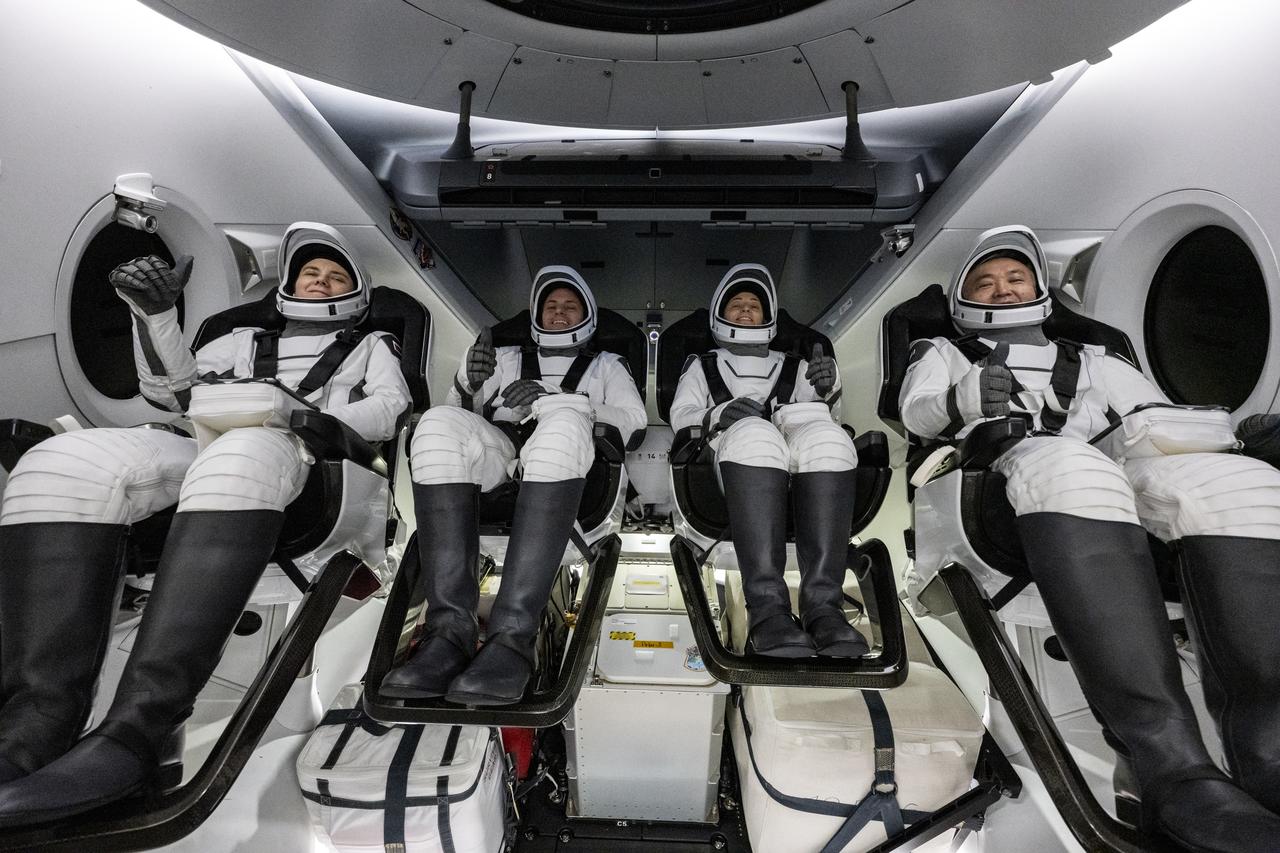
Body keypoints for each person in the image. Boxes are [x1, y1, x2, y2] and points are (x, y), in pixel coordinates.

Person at [0, 222, 411, 823]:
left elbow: (389, 410)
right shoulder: (237, 338)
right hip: (204, 440)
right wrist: (156, 317)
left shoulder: (373, 345)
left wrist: (294, 412)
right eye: (310, 273)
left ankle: (139, 732)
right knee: (60, 462)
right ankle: (33, 723)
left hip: (311, 458)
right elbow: (174, 393)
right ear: (290, 283)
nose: (320, 282)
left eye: (334, 276)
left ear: (356, 293)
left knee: (244, 452)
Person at [899, 225, 1280, 851]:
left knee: (1241, 483)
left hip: (1115, 463)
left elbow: (1155, 420)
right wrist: (963, 397)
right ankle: (1170, 773)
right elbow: (917, 412)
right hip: (1006, 472)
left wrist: (1230, 441)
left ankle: (1269, 760)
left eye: (1015, 277)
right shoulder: (943, 352)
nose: (1002, 288)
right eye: (985, 282)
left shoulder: (1097, 358)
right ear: (963, 297)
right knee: (1072, 466)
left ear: (1040, 289)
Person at [379, 266, 645, 706]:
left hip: (575, 470)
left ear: (588, 316)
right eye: (551, 305)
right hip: (501, 458)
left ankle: (512, 641)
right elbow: (463, 416)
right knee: (437, 423)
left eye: (570, 306)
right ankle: (448, 634)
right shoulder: (504, 358)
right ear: (536, 314)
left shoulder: (607, 366)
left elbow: (634, 424)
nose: (559, 312)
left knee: (564, 422)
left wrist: (556, 399)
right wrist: (468, 383)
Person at [669, 264, 867, 659]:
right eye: (736, 304)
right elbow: (681, 416)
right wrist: (719, 414)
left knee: (831, 440)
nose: (745, 310)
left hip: (795, 454)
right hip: (729, 456)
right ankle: (767, 611)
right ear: (719, 316)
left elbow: (825, 417)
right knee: (756, 435)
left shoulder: (797, 365)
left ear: (768, 317)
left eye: (753, 305)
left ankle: (824, 610)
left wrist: (828, 390)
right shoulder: (702, 365)